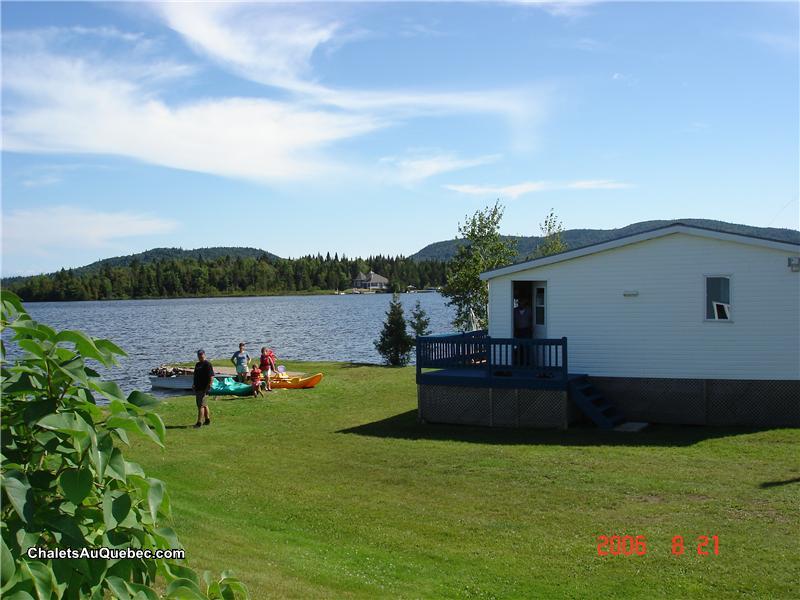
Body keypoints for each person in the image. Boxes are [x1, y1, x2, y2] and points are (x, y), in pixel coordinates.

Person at [192, 349, 214, 428]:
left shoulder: (207, 364)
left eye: (201, 354)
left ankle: (199, 422)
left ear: (204, 355)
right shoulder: (197, 364)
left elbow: (211, 376)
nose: (200, 356)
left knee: (200, 405)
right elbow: (195, 375)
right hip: (198, 387)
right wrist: (194, 384)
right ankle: (207, 420)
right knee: (204, 404)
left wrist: (209, 386)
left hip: (204, 388)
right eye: (199, 355)